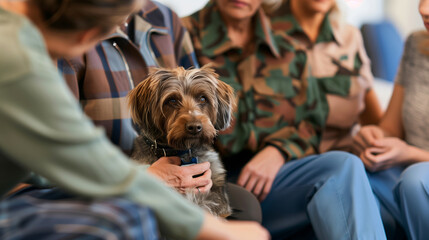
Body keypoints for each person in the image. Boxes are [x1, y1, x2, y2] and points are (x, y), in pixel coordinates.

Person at [0, 0, 269, 239]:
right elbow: (72, 160)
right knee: (130, 216)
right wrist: (214, 229)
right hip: (51, 185)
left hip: (107, 168)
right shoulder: (16, 57)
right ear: (89, 34)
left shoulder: (163, 18)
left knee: (240, 203)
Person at [182, 0, 386, 239]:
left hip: (274, 174)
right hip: (210, 179)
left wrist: (279, 150)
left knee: (343, 166)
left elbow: (312, 120)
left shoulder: (286, 44)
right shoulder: (183, 35)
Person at [353, 0, 429, 239]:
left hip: (414, 175)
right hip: (405, 173)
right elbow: (390, 127)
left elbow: (409, 158)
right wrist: (374, 137)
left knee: (415, 181)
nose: (424, 9)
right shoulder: (416, 44)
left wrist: (410, 153)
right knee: (349, 173)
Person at [269, 0, 383, 153]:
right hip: (287, 158)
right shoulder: (265, 35)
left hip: (346, 154)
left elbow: (374, 121)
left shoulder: (350, 36)